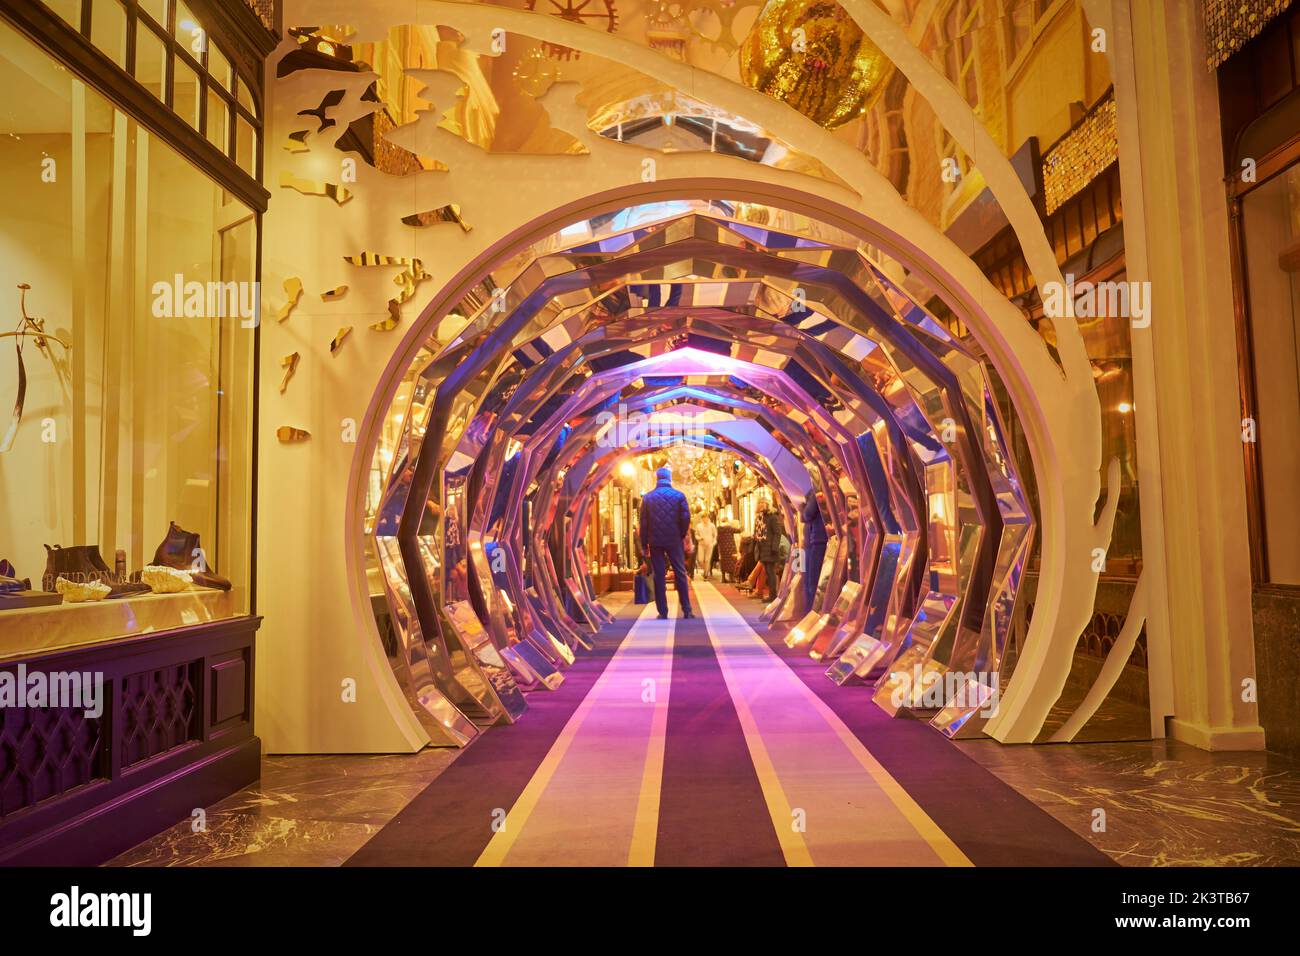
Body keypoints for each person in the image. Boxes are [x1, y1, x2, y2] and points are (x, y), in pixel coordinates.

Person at [638, 466, 694, 619]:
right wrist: (681, 535)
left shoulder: (648, 498)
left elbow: (643, 523)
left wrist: (644, 545)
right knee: (680, 573)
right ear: (669, 478)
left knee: (659, 575)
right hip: (674, 540)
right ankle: (687, 610)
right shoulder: (679, 496)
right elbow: (686, 518)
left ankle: (663, 611)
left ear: (657, 478)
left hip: (655, 541)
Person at [802, 492, 828, 613]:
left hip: (817, 539)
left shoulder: (816, 492)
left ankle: (812, 611)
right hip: (828, 538)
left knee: (813, 580)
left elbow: (807, 514)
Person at [756, 499, 783, 604]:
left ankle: (773, 595)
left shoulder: (772, 517)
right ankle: (772, 595)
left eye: (763, 503)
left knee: (771, 572)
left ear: (768, 505)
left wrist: (774, 547)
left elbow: (777, 533)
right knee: (768, 572)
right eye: (759, 503)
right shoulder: (760, 517)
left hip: (771, 549)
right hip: (763, 548)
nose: (761, 505)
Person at [696, 511, 717, 580]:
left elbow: (715, 535)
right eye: (703, 518)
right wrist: (699, 538)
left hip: (709, 545)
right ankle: (704, 569)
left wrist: (713, 543)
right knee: (700, 559)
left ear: (708, 518)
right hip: (701, 545)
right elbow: (696, 535)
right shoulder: (699, 526)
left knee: (707, 560)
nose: (705, 519)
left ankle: (706, 574)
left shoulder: (712, 525)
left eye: (706, 518)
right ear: (702, 518)